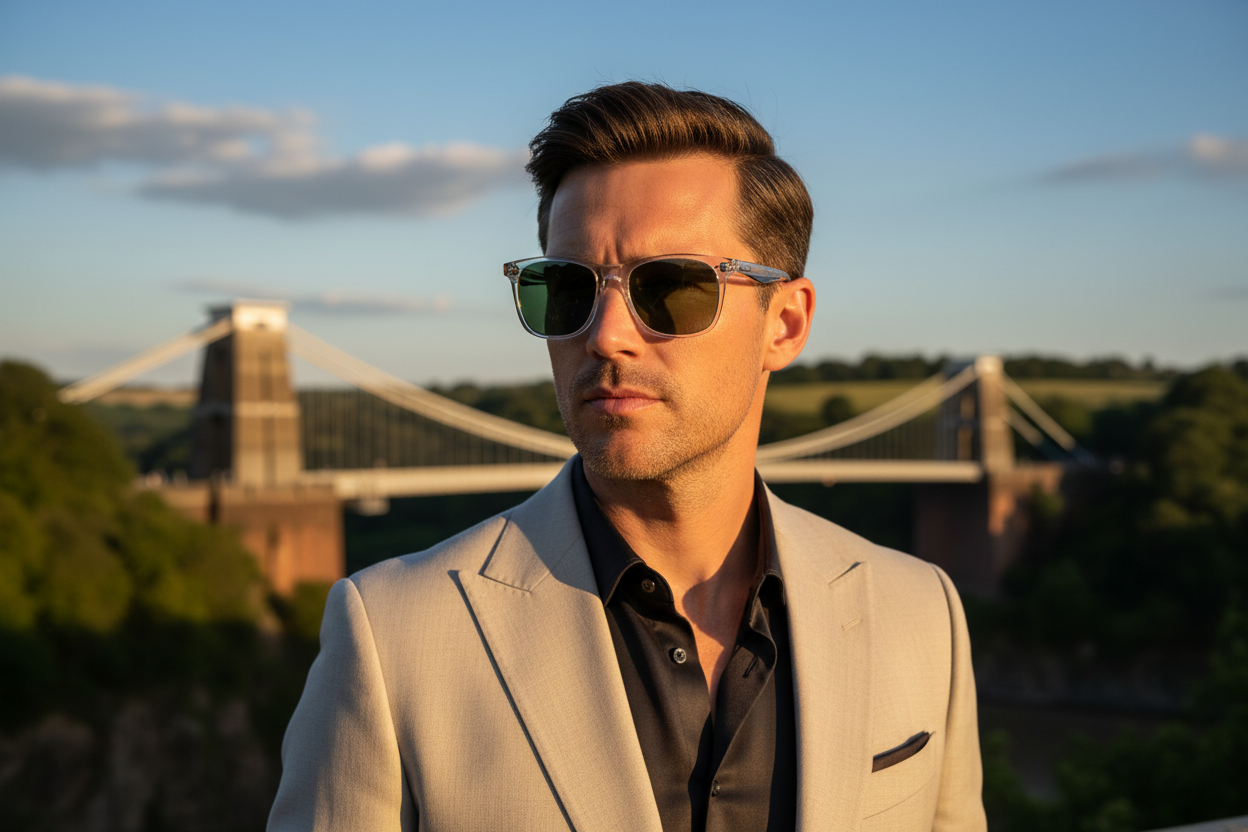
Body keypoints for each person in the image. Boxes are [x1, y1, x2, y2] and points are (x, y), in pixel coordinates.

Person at [269, 82, 986, 832]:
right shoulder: (391, 636)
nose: (606, 334)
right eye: (566, 289)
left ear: (786, 322)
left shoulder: (920, 611)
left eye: (672, 288)